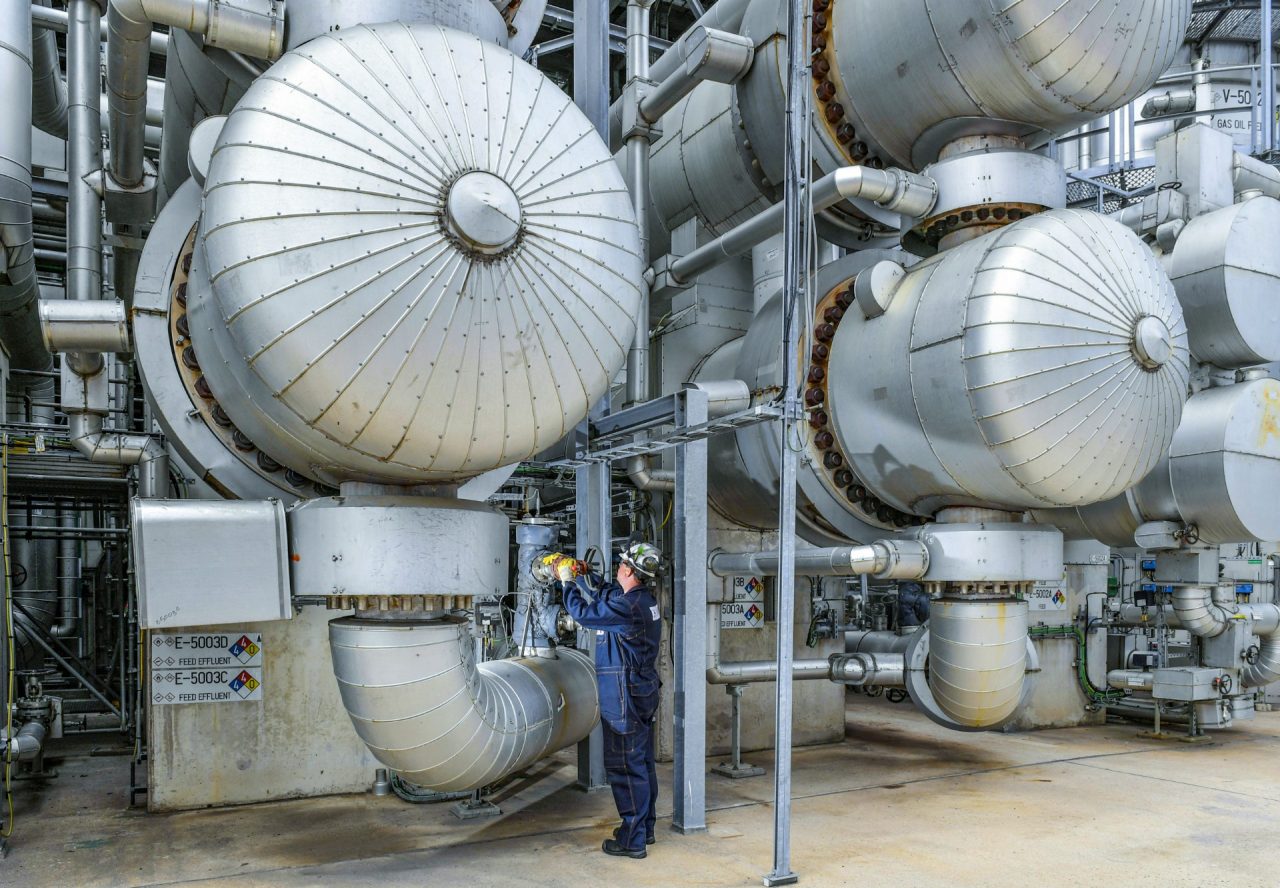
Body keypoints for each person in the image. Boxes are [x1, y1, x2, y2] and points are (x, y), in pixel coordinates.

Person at [560, 542, 663, 859]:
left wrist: (566, 581)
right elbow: (609, 596)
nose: (618, 567)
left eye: (621, 564)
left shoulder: (627, 608)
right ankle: (644, 829)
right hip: (642, 690)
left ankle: (632, 841)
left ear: (630, 571)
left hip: (624, 695)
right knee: (642, 762)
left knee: (625, 767)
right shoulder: (640, 601)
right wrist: (587, 576)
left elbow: (585, 614)